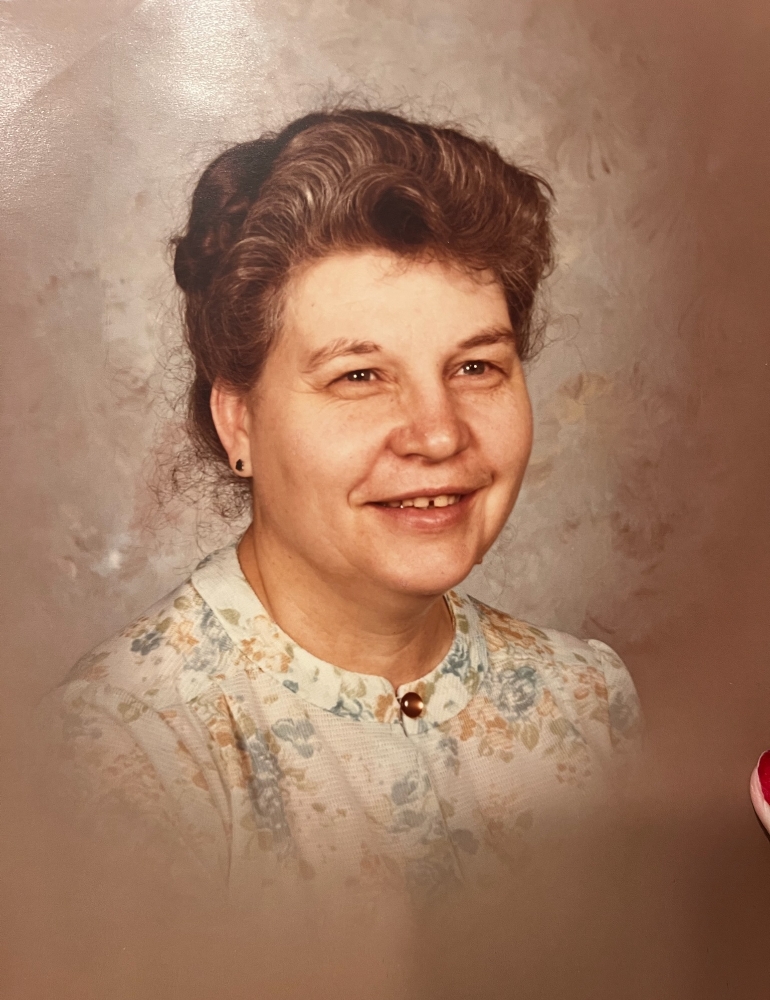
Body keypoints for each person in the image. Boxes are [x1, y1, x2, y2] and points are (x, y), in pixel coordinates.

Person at [41, 108, 642, 904]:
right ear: (239, 421)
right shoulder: (122, 750)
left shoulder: (587, 699)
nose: (438, 434)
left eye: (476, 367)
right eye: (359, 376)